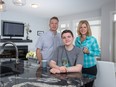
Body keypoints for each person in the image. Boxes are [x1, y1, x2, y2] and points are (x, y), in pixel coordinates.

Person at [75, 20, 101, 87]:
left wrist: (88, 52)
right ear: (79, 28)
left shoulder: (92, 39)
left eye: (84, 27)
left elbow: (98, 53)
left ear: (87, 28)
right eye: (81, 27)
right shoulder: (77, 40)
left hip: (90, 68)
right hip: (80, 68)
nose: (82, 29)